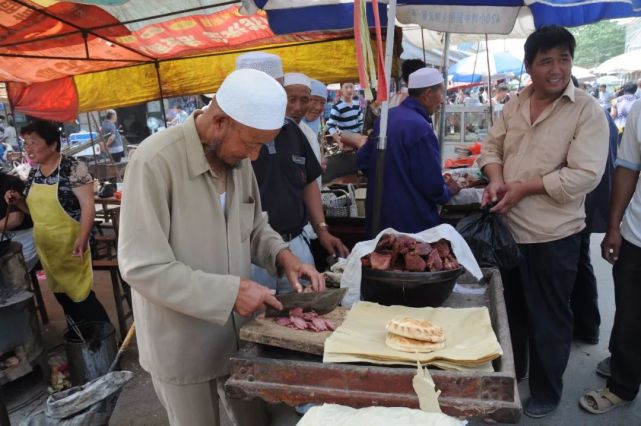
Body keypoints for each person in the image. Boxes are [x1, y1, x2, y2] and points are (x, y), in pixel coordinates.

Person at [118, 69, 325, 426]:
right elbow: (141, 266)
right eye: (251, 143)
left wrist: (283, 255)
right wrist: (229, 292)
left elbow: (255, 222)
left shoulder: (238, 159)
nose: (255, 156)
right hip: (183, 343)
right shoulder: (155, 162)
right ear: (218, 122)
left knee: (258, 419)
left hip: (237, 337)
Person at [478, 26, 608, 418]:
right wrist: (497, 179)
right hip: (509, 231)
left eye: (563, 59)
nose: (556, 69)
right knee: (511, 312)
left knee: (550, 318)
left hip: (555, 235)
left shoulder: (586, 110)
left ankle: (548, 392)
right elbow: (492, 146)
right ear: (529, 67)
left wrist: (526, 188)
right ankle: (515, 376)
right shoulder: (514, 103)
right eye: (546, 61)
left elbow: (586, 174)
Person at [245, 59, 348, 295]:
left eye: (305, 99)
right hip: (252, 251)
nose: (298, 106)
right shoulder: (236, 135)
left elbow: (309, 181)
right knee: (256, 321)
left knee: (306, 311)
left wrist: (321, 229)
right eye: (291, 98)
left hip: (295, 243)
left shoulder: (292, 132)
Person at [5, 120, 110, 327]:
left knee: (82, 297)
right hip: (47, 248)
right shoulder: (35, 173)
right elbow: (33, 211)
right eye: (26, 143)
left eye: (33, 142)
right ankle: (80, 341)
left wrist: (82, 238)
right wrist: (18, 201)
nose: (28, 148)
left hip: (71, 245)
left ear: (52, 144)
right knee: (63, 297)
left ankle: (104, 341)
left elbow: (88, 206)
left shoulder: (73, 167)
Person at [580, 100, 641, 415]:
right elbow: (628, 168)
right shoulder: (640, 109)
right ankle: (622, 385)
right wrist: (614, 226)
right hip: (637, 234)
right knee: (630, 314)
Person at [357, 67, 461, 235]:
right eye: (441, 94)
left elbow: (363, 160)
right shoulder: (421, 129)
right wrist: (448, 191)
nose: (442, 101)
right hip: (412, 225)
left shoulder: (385, 118)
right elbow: (431, 185)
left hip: (379, 219)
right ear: (427, 94)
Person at [569, 75, 618, 345]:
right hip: (590, 198)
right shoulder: (597, 113)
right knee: (580, 261)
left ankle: (587, 326)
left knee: (578, 262)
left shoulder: (590, 114)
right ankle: (587, 325)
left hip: (584, 200)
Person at [0, 172, 37, 271]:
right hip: (4, 239)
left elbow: (15, 219)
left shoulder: (11, 183)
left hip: (23, 239)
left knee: (10, 275)